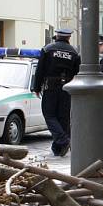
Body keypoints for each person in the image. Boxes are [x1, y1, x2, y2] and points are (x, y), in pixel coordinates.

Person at [33, 29, 81, 157]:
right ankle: (58, 148)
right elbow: (77, 73)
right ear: (68, 38)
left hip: (51, 87)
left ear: (57, 36)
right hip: (67, 88)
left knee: (49, 115)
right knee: (63, 118)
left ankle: (63, 141)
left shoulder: (48, 49)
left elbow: (40, 70)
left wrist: (36, 87)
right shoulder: (74, 52)